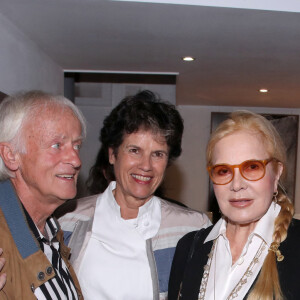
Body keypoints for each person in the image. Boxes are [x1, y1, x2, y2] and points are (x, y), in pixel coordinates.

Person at [58, 90, 211, 300]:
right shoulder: (66, 221)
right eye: (134, 150)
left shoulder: (193, 229)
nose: (146, 165)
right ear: (112, 154)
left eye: (157, 154)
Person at [168, 110, 300, 300]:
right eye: (223, 171)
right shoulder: (189, 248)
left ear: (277, 173)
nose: (236, 185)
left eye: (252, 167)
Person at [0, 91, 86, 299]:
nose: (76, 160)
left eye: (76, 146)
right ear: (11, 156)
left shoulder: (52, 233)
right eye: (57, 145)